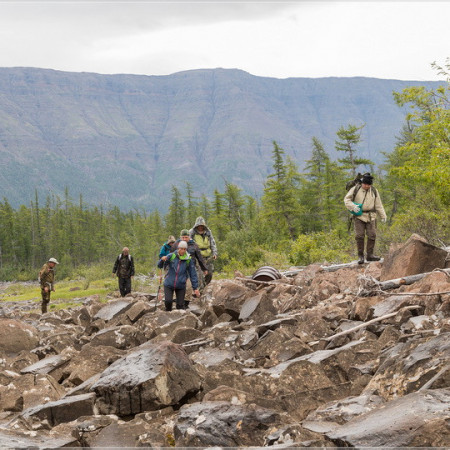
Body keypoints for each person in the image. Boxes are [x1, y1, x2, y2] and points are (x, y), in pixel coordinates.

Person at [344, 173, 387, 264]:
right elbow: (347, 200)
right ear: (362, 183)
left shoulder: (374, 191)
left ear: (370, 184)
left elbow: (378, 204)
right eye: (365, 184)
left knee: (372, 235)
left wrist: (383, 216)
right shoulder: (355, 189)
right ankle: (360, 256)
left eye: (368, 184)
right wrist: (353, 206)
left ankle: (370, 255)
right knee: (359, 236)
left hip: (371, 216)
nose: (366, 186)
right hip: (359, 216)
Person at [157, 240, 200, 311]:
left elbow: (193, 274)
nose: (183, 251)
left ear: (186, 249)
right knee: (168, 302)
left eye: (184, 249)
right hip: (169, 283)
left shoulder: (188, 259)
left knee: (180, 305)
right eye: (181, 249)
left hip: (181, 285)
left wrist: (195, 288)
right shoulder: (172, 256)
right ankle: (168, 315)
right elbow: (159, 265)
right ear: (178, 248)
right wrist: (162, 260)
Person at [171, 229, 209, 308]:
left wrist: (204, 269)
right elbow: (171, 256)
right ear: (180, 237)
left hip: (190, 268)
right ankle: (178, 302)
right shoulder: (176, 245)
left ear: (189, 237)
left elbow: (200, 258)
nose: (184, 239)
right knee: (177, 285)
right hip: (178, 269)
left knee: (188, 286)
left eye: (186, 237)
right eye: (183, 237)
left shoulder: (194, 245)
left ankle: (186, 303)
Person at [189, 216, 218, 287]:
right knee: (200, 274)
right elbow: (189, 244)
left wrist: (214, 253)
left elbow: (212, 242)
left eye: (202, 226)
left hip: (207, 256)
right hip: (198, 257)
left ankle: (206, 285)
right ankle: (200, 289)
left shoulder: (208, 232)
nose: (200, 227)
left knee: (209, 273)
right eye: (199, 226)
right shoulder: (192, 232)